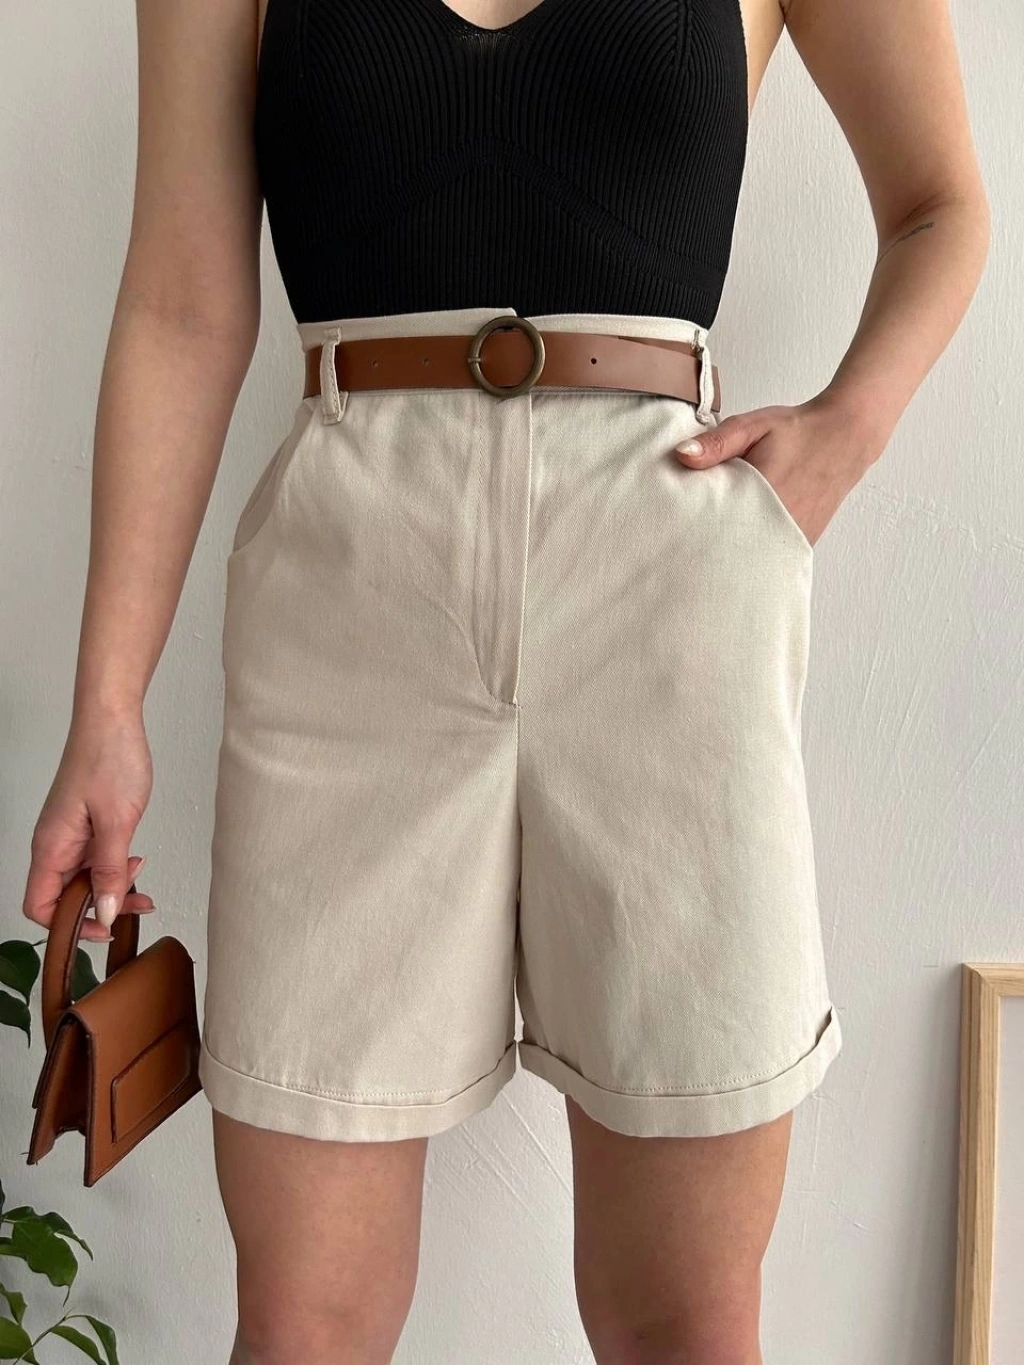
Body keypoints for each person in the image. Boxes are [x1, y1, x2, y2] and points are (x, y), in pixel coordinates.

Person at [22, 0, 989, 1361]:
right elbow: (182, 304)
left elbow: (942, 203)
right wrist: (107, 705)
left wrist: (849, 429)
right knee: (303, 1329)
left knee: (688, 1326)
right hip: (346, 606)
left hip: (667, 600)